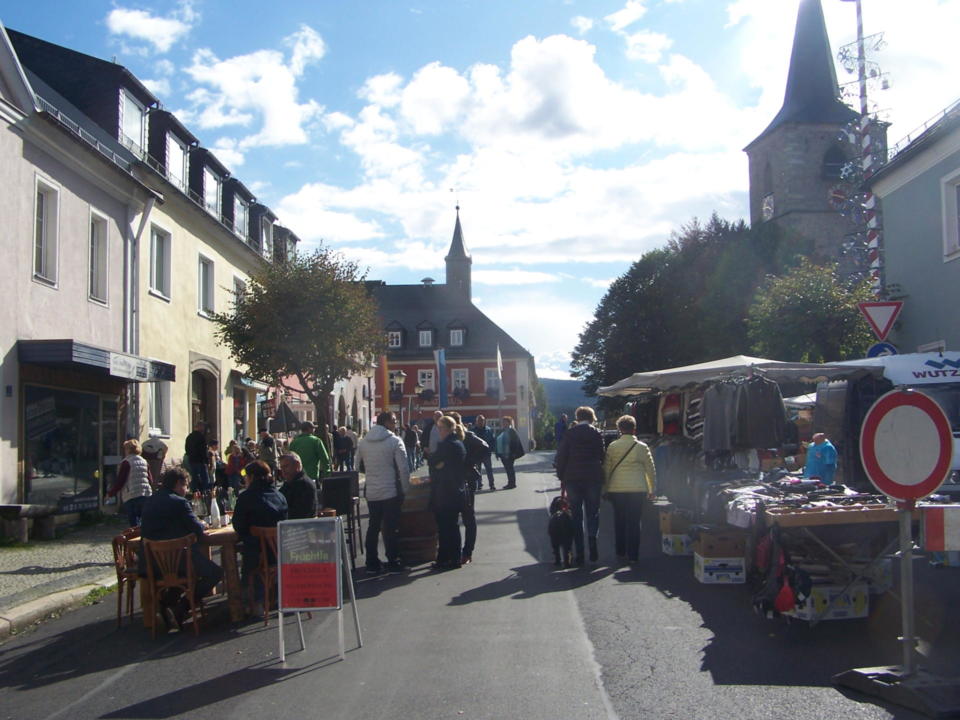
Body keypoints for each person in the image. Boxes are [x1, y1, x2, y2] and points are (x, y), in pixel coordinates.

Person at [140, 467, 224, 630]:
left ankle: (167, 604)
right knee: (214, 573)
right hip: (178, 560)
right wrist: (202, 524)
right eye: (185, 485)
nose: (186, 490)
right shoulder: (179, 502)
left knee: (179, 576)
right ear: (178, 484)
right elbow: (197, 530)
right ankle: (182, 607)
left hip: (152, 564)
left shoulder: (150, 500)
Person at [355, 412, 410, 573]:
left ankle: (371, 561)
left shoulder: (363, 442)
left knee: (373, 526)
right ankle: (393, 560)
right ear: (385, 422)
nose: (396, 424)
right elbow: (403, 468)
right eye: (393, 421)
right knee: (391, 526)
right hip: (390, 490)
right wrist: (406, 489)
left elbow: (356, 464)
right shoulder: (394, 441)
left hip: (372, 490)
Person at [231, 461, 288, 614]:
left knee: (245, 552)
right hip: (280, 551)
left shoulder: (246, 498)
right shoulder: (279, 495)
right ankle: (273, 595)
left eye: (245, 476)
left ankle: (251, 600)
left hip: (257, 553)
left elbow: (238, 525)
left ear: (252, 477)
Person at [603, 415, 656, 565]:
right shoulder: (642, 447)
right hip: (637, 489)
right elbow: (650, 469)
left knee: (619, 520)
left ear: (619, 429)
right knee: (634, 521)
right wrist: (652, 488)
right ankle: (633, 554)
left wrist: (606, 488)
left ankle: (620, 551)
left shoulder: (613, 446)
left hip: (617, 489)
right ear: (634, 429)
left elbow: (607, 469)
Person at [556, 406, 606, 564]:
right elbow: (601, 455)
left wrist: (561, 476)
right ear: (592, 417)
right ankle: (592, 542)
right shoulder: (596, 433)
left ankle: (580, 553)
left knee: (576, 516)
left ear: (577, 417)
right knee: (593, 513)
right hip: (593, 477)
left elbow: (562, 456)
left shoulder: (570, 433)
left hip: (573, 478)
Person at [428, 415, 467, 570]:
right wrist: (438, 463)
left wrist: (438, 464)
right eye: (438, 428)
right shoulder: (457, 443)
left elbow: (432, 461)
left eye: (441, 428)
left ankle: (448, 559)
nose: (439, 431)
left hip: (446, 491)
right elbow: (435, 462)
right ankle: (449, 558)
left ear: (449, 428)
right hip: (455, 490)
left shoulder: (447, 445)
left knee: (446, 527)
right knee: (451, 526)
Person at [453, 412, 489, 564]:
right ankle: (456, 551)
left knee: (468, 517)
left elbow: (485, 447)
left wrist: (470, 461)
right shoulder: (450, 438)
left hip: (467, 480)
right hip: (454, 481)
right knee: (455, 517)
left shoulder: (467, 435)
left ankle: (467, 551)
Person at [107, 438, 154, 528]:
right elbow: (150, 479)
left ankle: (136, 540)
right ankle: (145, 539)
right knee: (145, 522)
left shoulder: (126, 462)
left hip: (132, 495)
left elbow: (121, 481)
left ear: (127, 450)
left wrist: (111, 493)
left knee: (134, 524)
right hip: (145, 494)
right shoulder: (144, 462)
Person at [278, 452, 318, 519]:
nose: (283, 471)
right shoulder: (289, 483)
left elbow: (299, 514)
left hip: (301, 526)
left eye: (286, 467)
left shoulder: (304, 485)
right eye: (281, 468)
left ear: (297, 465)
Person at [495, 416, 525, 489]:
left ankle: (512, 483)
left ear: (509, 423)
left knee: (510, 468)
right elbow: (496, 442)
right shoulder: (501, 431)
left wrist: (514, 453)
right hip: (502, 453)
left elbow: (516, 443)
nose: (504, 423)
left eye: (505, 422)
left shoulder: (512, 431)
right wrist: (497, 453)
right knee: (507, 469)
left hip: (510, 453)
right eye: (503, 422)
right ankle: (510, 482)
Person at [184, 422, 210, 493]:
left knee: (194, 477)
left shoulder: (189, 437)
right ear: (199, 427)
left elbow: (186, 449)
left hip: (192, 460)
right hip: (200, 461)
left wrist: (191, 455)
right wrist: (207, 461)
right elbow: (203, 451)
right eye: (202, 427)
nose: (204, 429)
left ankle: (194, 492)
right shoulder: (201, 437)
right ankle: (205, 493)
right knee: (204, 478)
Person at [474, 415, 497, 491]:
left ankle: (491, 484)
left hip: (486, 454)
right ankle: (479, 484)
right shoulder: (473, 430)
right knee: (477, 470)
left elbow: (493, 440)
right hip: (477, 454)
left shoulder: (488, 430)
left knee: (489, 470)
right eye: (479, 420)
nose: (481, 422)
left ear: (484, 421)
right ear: (476, 421)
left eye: (482, 420)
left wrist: (491, 449)